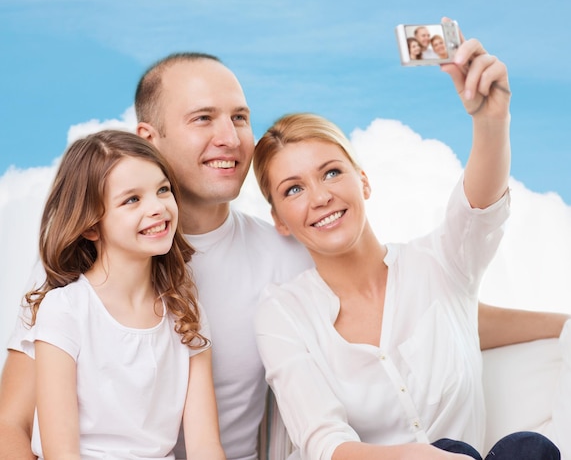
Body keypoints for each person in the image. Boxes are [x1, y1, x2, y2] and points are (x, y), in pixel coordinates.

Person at [0, 51, 568, 460]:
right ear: (149, 138)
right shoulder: (78, 274)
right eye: (203, 119)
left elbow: (428, 310)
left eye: (240, 117)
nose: (230, 136)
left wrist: (561, 324)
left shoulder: (287, 253)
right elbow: (11, 428)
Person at [252, 35, 561, 459]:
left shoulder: (438, 265)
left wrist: (491, 121)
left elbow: (478, 208)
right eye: (293, 190)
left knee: (527, 450)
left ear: (363, 181)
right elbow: (325, 443)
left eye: (331, 173)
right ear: (279, 221)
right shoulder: (283, 313)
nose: (319, 197)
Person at [21, 130, 224, 460]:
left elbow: (205, 446)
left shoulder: (187, 313)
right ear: (90, 226)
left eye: (163, 190)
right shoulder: (65, 311)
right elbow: (62, 453)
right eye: (132, 199)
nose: (157, 207)